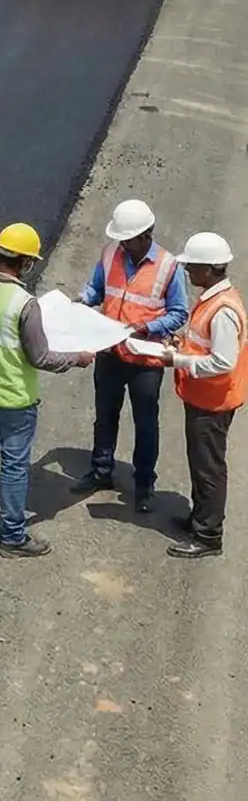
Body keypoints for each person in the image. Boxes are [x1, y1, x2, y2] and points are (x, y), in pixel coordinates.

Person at [0, 222, 96, 556]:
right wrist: (76, 358)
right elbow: (41, 357)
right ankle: (13, 538)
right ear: (26, 262)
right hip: (15, 401)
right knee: (14, 468)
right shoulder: (24, 304)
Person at [70, 198, 186, 513]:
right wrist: (80, 300)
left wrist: (145, 327)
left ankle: (144, 484)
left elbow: (179, 313)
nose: (123, 244)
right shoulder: (111, 254)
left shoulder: (168, 266)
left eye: (128, 240)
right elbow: (96, 290)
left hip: (145, 361)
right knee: (105, 415)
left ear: (146, 235)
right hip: (110, 352)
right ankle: (101, 470)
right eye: (121, 239)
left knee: (145, 423)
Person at [148, 232, 247, 560]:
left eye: (192, 266)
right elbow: (203, 344)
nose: (187, 271)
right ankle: (200, 518)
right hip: (205, 398)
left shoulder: (222, 310)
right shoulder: (214, 299)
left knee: (208, 468)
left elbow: (222, 362)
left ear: (209, 268)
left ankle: (208, 536)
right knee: (201, 463)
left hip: (213, 402)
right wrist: (181, 344)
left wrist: (177, 360)